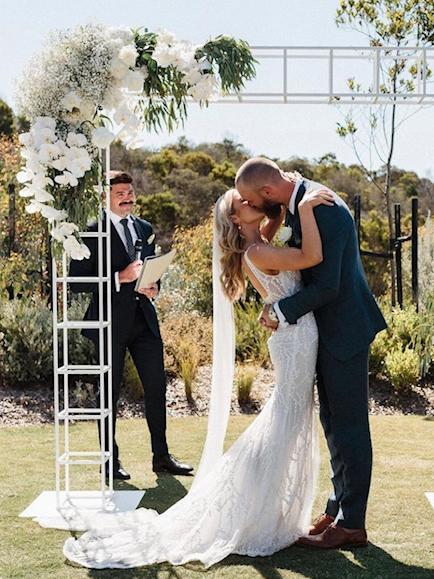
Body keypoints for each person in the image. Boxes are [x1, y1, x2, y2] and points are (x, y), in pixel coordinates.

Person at [63, 185, 334, 568]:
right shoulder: (256, 250)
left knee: (284, 422)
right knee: (283, 423)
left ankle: (256, 504)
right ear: (236, 220)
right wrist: (303, 207)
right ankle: (250, 509)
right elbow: (311, 256)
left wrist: (286, 204)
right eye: (242, 201)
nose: (250, 199)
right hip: (289, 338)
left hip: (283, 334)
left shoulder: (257, 243)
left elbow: (272, 230)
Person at [235, 157, 387, 549]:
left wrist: (280, 311)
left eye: (252, 200)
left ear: (267, 193)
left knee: (349, 426)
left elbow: (329, 285)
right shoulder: (296, 201)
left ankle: (352, 524)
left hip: (345, 331)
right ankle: (337, 508)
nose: (253, 207)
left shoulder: (324, 207)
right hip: (322, 332)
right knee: (333, 424)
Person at [69, 170, 193, 479]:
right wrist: (118, 278)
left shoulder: (145, 228)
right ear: (105, 197)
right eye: (120, 193)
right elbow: (76, 282)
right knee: (108, 392)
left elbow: (150, 270)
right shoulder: (90, 230)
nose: (127, 197)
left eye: (129, 191)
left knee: (156, 387)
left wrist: (154, 286)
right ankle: (109, 461)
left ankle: (161, 458)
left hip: (144, 322)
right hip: (108, 322)